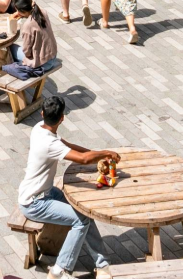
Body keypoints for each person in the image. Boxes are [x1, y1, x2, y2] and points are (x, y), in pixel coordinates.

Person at [17, 95, 119, 279]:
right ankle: (59, 270)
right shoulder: (50, 143)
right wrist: (106, 152)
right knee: (81, 221)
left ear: (42, 114)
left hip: (44, 192)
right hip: (34, 203)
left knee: (84, 211)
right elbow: (83, 159)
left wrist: (97, 155)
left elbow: (71, 147)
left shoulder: (38, 129)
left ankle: (102, 265)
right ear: (62, 118)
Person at [0, 0, 63, 92]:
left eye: (17, 10)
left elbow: (27, 52)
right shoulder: (43, 12)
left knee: (8, 48)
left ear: (22, 11)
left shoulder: (27, 25)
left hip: (42, 63)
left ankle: (8, 84)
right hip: (52, 57)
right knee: (15, 49)